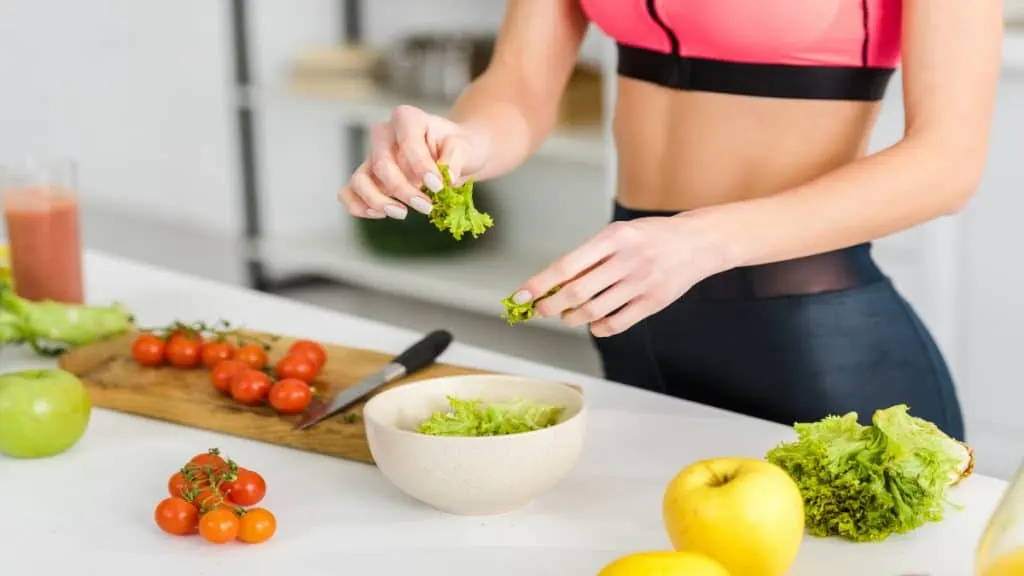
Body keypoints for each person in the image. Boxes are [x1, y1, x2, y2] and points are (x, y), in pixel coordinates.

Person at [338, 0, 1004, 441]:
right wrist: (461, 144)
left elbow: (945, 166)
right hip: (636, 323)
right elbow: (519, 87)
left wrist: (698, 240)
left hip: (814, 342)